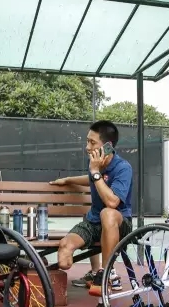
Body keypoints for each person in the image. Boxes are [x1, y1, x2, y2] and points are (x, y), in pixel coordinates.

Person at [50, 120, 133, 297]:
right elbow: (88, 178)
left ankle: (105, 272)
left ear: (108, 146)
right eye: (87, 141)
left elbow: (112, 202)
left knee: (107, 213)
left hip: (119, 224)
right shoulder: (95, 165)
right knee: (64, 255)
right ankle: (95, 273)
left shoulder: (122, 168)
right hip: (93, 223)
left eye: (92, 142)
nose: (87, 147)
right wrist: (68, 180)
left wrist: (95, 172)